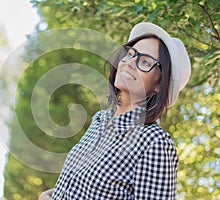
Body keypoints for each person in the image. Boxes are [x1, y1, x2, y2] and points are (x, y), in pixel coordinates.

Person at [39, 22, 191, 199]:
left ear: (159, 84)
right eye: (130, 53)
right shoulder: (100, 120)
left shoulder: (154, 143)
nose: (129, 62)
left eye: (145, 61)